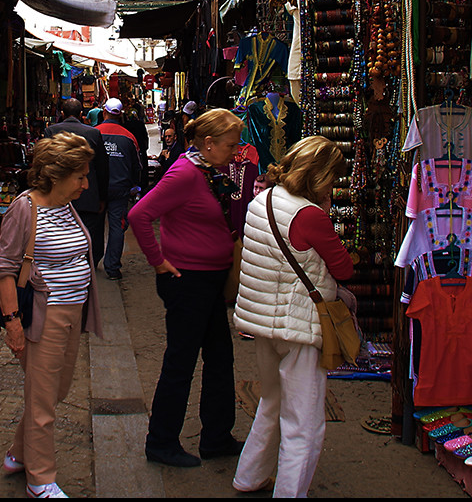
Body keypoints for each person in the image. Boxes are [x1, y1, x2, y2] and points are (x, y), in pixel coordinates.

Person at [231, 136, 355, 497]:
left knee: (272, 400)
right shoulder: (310, 215)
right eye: (332, 179)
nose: (333, 186)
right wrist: (326, 211)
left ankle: (249, 476)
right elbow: (343, 268)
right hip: (298, 325)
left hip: (262, 321)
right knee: (304, 422)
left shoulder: (262, 199)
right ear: (319, 176)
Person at [127, 108, 246, 468]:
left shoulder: (205, 170)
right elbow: (139, 215)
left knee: (220, 359)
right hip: (188, 281)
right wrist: (157, 260)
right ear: (208, 144)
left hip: (208, 279)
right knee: (181, 362)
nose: (235, 151)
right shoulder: (184, 173)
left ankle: (216, 436)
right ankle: (161, 442)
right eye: (230, 145)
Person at [0, 132, 104, 499]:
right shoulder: (24, 209)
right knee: (43, 401)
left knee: (55, 390)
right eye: (80, 177)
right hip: (44, 316)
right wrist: (13, 324)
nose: (85, 185)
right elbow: (5, 268)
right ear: (57, 174)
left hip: (72, 311)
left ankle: (18, 453)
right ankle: (40, 479)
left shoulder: (64, 205)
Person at [44, 97, 110, 267]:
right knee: (87, 234)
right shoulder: (93, 133)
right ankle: (86, 267)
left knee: (59, 232)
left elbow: (44, 165)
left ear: (62, 113)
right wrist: (102, 197)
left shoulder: (51, 132)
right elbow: (102, 168)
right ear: (81, 114)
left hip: (58, 195)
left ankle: (63, 265)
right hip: (87, 195)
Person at [95, 97, 141, 280]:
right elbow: (137, 166)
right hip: (120, 189)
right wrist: (135, 187)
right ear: (120, 115)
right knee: (117, 227)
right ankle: (112, 267)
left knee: (95, 226)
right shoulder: (129, 137)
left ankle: (92, 260)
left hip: (98, 190)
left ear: (104, 112)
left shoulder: (94, 133)